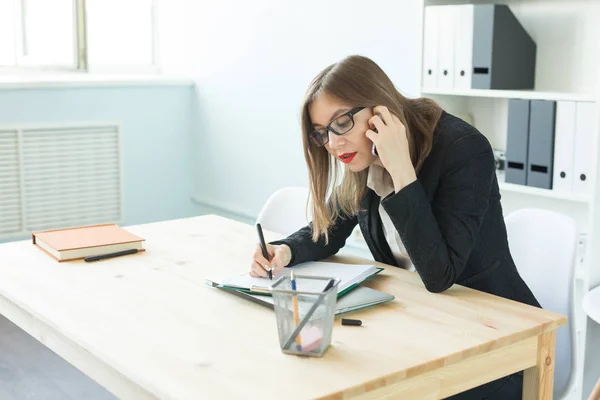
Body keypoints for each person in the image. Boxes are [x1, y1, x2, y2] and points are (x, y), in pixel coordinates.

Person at [250, 54, 540, 399]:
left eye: (341, 122)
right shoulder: (363, 158)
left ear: (380, 108)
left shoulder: (463, 149)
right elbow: (331, 227)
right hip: (422, 326)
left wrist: (401, 170)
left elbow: (439, 275)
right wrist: (285, 250)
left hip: (497, 343)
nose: (333, 142)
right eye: (321, 133)